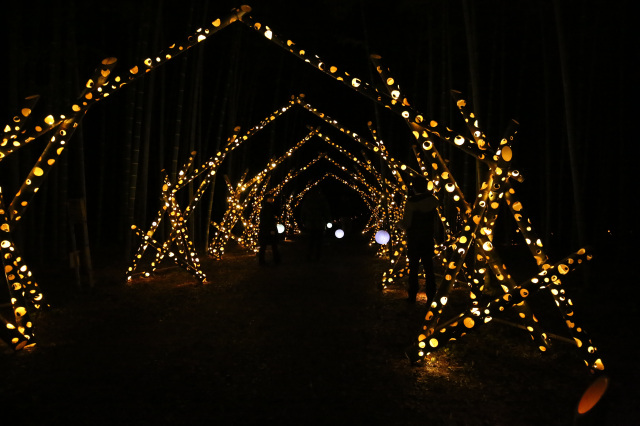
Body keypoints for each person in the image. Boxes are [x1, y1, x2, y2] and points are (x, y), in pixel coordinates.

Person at [397, 178, 439, 303]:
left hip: (414, 239)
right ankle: (431, 295)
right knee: (429, 267)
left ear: (414, 188)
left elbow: (407, 224)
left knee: (413, 268)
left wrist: (398, 224)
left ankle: (412, 295)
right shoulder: (433, 200)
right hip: (427, 238)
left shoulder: (411, 203)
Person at [300, 188, 331, 261]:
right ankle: (316, 256)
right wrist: (328, 220)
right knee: (318, 241)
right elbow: (326, 212)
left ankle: (310, 255)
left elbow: (303, 212)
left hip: (312, 223)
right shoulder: (321, 200)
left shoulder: (308, 201)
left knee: (312, 241)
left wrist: (303, 221)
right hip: (318, 223)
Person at [258, 196, 281, 265]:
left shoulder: (266, 207)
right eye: (270, 198)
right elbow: (269, 219)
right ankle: (276, 260)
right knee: (273, 245)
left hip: (264, 229)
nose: (272, 199)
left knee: (264, 246)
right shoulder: (269, 207)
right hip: (268, 229)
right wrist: (272, 229)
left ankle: (262, 261)